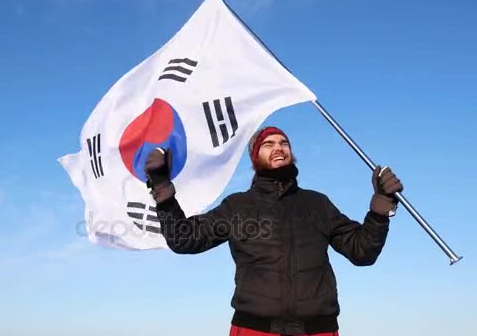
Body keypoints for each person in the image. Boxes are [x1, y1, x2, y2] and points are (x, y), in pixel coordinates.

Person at [144, 126, 404, 336]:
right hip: (254, 329)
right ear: (255, 157)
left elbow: (362, 252)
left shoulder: (317, 204)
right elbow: (184, 239)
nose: (279, 147)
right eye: (269, 144)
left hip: (318, 330)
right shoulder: (238, 206)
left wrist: (381, 208)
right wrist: (163, 189)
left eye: (284, 143)